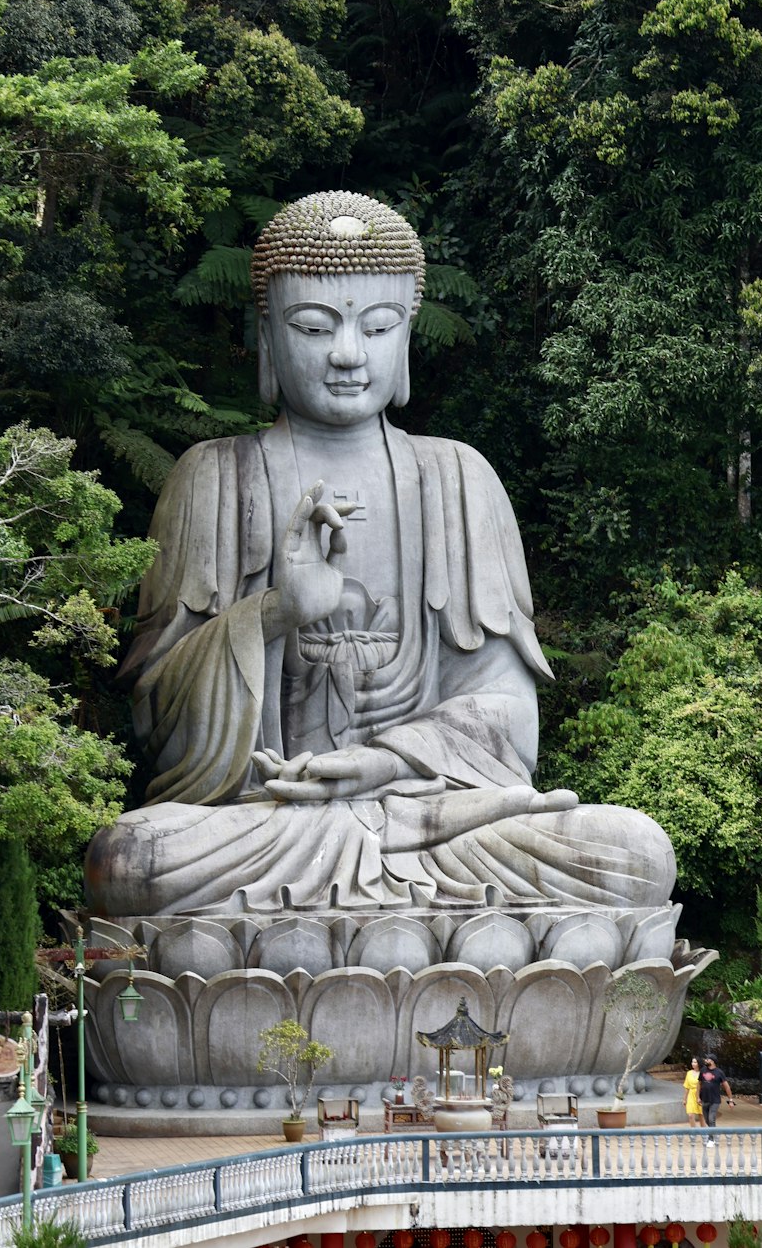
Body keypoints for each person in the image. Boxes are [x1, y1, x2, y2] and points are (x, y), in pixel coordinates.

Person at [86, 192, 677, 917]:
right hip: (268, 824)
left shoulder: (460, 479)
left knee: (635, 852)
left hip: (429, 825)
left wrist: (385, 761)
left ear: (405, 339)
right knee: (132, 860)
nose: (346, 353)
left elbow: (512, 717)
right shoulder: (212, 477)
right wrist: (277, 612)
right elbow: (158, 724)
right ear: (266, 335)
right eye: (313, 325)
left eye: (377, 326)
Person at [698, 1054, 734, 1141]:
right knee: (707, 1120)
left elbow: (726, 1086)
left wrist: (731, 1100)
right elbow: (698, 1084)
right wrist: (697, 1097)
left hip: (715, 1100)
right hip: (704, 1099)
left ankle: (711, 1139)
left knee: (711, 1119)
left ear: (712, 1061)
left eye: (708, 1059)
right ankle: (714, 1132)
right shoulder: (703, 1070)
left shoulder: (719, 1072)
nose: (706, 1061)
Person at [683, 1055, 703, 1126]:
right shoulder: (689, 1073)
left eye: (695, 1062)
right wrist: (684, 1099)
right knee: (690, 1115)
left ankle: (704, 1133)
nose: (693, 1064)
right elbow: (686, 1087)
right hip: (691, 1094)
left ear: (698, 1063)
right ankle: (693, 1133)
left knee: (701, 1115)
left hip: (700, 1095)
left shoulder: (702, 1073)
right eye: (692, 1062)